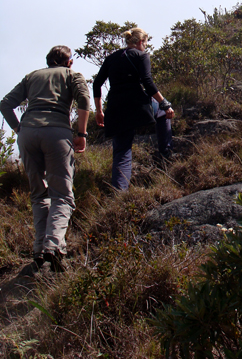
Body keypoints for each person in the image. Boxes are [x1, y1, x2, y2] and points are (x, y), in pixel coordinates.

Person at [0, 45, 90, 273]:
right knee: (62, 195)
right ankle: (54, 246)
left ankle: (39, 251)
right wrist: (81, 134)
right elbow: (84, 101)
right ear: (69, 62)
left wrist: (19, 129)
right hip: (56, 132)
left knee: (39, 194)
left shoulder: (32, 76)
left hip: (28, 134)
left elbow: (5, 104)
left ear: (49, 60)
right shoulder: (72, 75)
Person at [93, 27, 174, 191]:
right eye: (145, 43)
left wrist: (99, 110)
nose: (145, 46)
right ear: (139, 42)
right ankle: (166, 153)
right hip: (137, 105)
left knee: (122, 152)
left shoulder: (111, 58)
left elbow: (96, 84)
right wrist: (165, 103)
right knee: (162, 112)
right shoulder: (141, 55)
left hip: (115, 108)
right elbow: (147, 82)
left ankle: (119, 194)